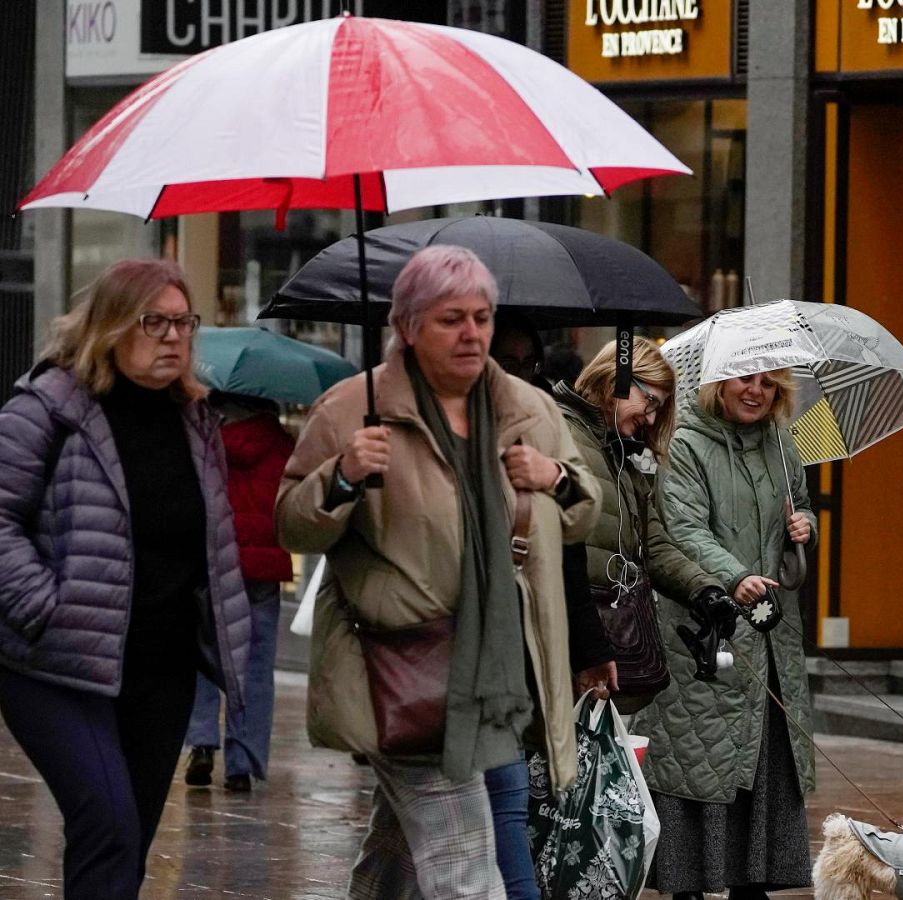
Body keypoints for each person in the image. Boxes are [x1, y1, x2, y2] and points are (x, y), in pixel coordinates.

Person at [275, 245, 602, 900]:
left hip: (499, 667)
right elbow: (292, 526)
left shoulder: (528, 411)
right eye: (452, 319)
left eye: (482, 317)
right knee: (465, 868)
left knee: (396, 853)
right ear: (407, 326)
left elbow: (583, 514)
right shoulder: (352, 409)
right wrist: (343, 475)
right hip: (405, 669)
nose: (472, 333)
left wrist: (556, 477)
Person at [0, 258, 254, 899]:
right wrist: (44, 606)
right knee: (108, 823)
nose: (173, 337)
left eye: (183, 322)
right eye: (153, 322)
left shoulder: (196, 421)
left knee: (128, 841)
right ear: (110, 325)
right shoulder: (48, 408)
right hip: (56, 664)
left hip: (159, 666)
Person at [634, 369, 820, 900]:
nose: (756, 391)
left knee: (765, 753)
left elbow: (799, 505)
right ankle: (688, 883)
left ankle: (753, 880)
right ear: (718, 382)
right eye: (745, 380)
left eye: (768, 383)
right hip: (705, 626)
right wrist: (734, 576)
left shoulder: (782, 443)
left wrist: (806, 526)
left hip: (770, 630)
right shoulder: (684, 443)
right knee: (699, 753)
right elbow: (682, 530)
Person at [487, 312, 617, 900]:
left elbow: (572, 542)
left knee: (507, 792)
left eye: (528, 363)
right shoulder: (446, 425)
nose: (519, 374)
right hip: (446, 643)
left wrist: (551, 476)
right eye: (505, 363)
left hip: (520, 640)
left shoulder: (543, 424)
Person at [553, 338, 735, 714]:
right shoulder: (559, 434)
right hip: (566, 642)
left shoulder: (621, 455)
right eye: (650, 401)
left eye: (658, 409)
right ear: (616, 380)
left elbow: (654, 543)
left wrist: (704, 590)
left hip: (607, 642)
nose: (651, 419)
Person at [185, 393, 296, 793]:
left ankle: (201, 742)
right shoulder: (282, 444)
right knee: (256, 665)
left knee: (202, 653)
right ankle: (242, 763)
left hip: (214, 560)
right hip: (262, 569)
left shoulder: (204, 437)